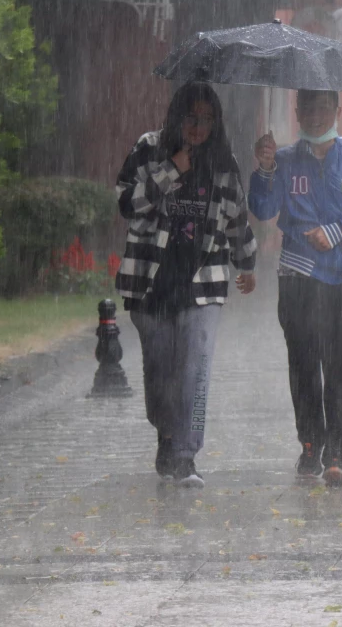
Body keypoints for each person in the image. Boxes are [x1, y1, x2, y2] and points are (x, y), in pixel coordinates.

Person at [115, 82, 257, 489]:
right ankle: (167, 437)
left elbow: (236, 217)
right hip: (150, 283)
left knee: (195, 369)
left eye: (207, 119)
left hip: (204, 281)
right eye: (191, 118)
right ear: (177, 116)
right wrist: (171, 169)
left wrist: (246, 262)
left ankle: (186, 455)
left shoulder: (222, 161)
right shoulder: (148, 149)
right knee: (161, 374)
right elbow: (127, 203)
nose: (198, 127)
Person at [249, 89, 342, 486]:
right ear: (296, 112)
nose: (314, 115)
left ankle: (337, 451)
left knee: (338, 364)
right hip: (296, 278)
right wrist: (263, 170)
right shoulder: (284, 160)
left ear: (337, 110)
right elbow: (262, 209)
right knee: (302, 364)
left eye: (323, 107)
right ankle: (310, 444)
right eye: (307, 107)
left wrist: (338, 232)